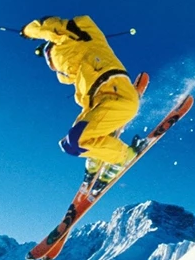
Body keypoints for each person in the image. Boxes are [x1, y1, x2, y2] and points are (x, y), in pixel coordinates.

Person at [21, 15, 144, 187]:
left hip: (117, 95)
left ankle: (123, 156)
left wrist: (28, 30)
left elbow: (53, 26)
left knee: (76, 141)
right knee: (68, 144)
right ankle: (94, 164)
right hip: (103, 102)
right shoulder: (81, 83)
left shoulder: (79, 37)